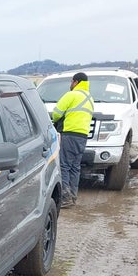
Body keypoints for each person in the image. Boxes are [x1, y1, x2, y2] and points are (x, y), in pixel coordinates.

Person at [51, 72, 94, 208]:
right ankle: (73, 196)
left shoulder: (72, 95)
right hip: (82, 136)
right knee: (75, 167)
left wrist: (55, 120)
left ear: (76, 82)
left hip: (69, 134)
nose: (71, 84)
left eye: (71, 81)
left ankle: (65, 198)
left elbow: (56, 113)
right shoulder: (90, 98)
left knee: (64, 166)